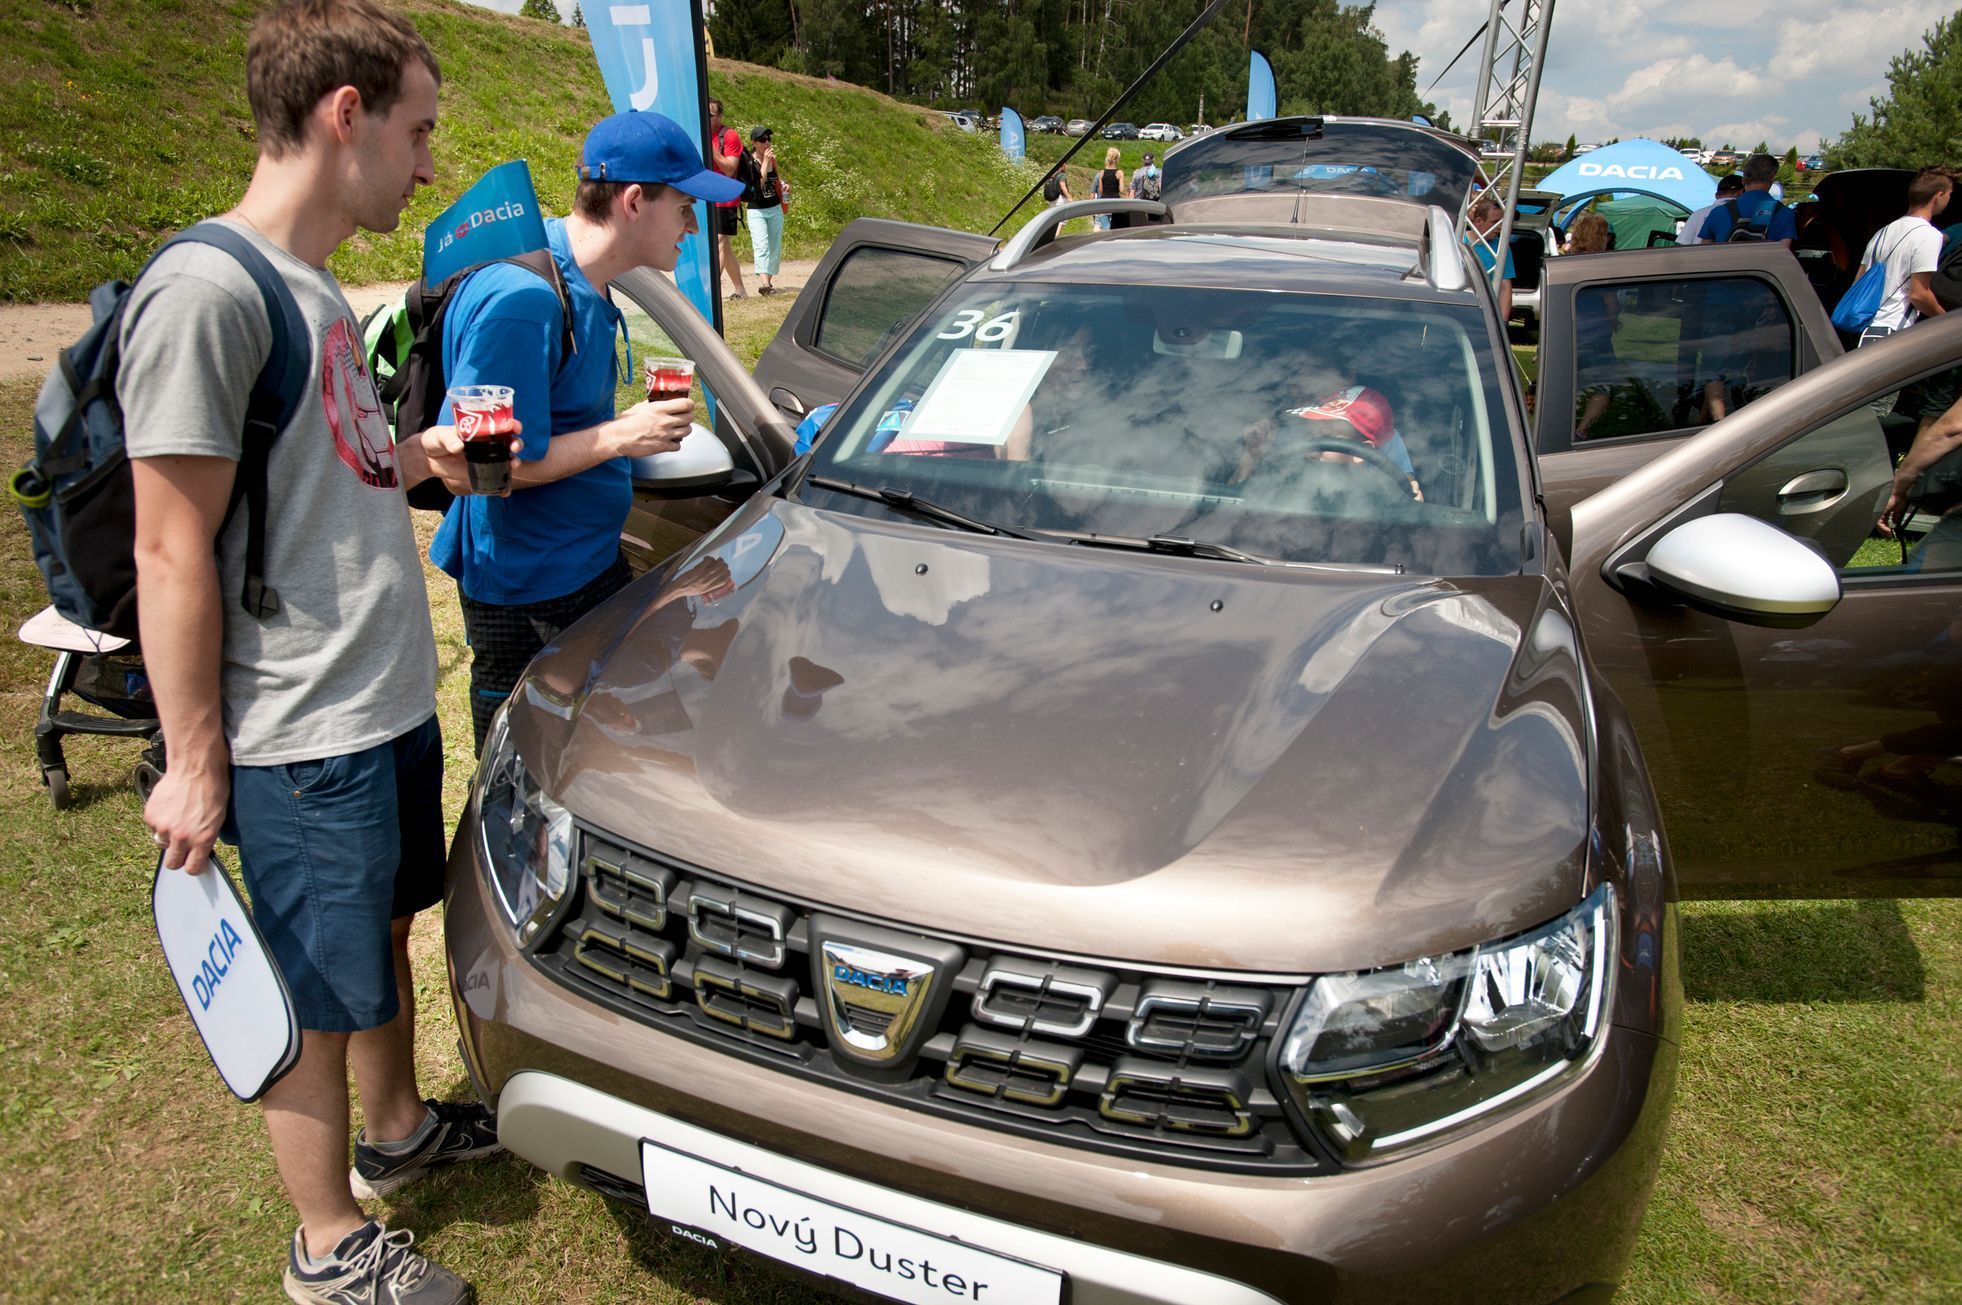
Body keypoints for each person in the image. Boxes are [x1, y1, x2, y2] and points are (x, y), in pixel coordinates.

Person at [126, 4, 494, 1302]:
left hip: (378, 703)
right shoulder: (207, 291)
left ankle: (394, 1134)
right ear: (347, 116)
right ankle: (326, 1241)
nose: (430, 161)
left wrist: (411, 459)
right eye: (419, 129)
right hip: (300, 731)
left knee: (381, 930)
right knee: (313, 988)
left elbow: (311, 462)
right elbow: (169, 545)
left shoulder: (312, 289)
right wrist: (192, 759)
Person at [431, 110, 745, 752]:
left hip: (582, 571)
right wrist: (622, 437)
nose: (693, 224)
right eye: (685, 206)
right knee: (525, 764)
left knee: (611, 747)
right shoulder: (525, 301)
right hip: (531, 596)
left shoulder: (585, 281)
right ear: (635, 201)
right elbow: (481, 467)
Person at [1852, 166, 1951, 347]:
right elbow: (1919, 294)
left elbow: (1858, 282)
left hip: (1867, 331)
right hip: (1893, 332)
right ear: (1938, 196)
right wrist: (1947, 321)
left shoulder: (1882, 232)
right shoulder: (1929, 235)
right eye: (1949, 195)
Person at [1699, 153, 1797, 246]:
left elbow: (1704, 253)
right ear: (1772, 178)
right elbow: (1783, 256)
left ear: (1743, 180)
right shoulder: (1784, 214)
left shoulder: (1718, 212)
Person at [706, 97, 747, 300]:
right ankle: (740, 289)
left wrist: (711, 149)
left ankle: (711, 293)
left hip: (725, 197)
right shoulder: (699, 133)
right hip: (705, 197)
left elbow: (730, 169)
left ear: (719, 116)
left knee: (720, 240)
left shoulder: (729, 136)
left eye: (710, 115)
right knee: (725, 247)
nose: (705, 118)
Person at [740, 126, 788, 294]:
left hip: (774, 207)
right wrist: (765, 162)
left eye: (768, 139)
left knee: (774, 247)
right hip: (756, 210)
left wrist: (783, 185)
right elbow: (757, 185)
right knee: (761, 246)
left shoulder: (772, 160)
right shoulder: (750, 162)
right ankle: (765, 285)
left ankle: (768, 282)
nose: (767, 143)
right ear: (754, 143)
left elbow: (777, 179)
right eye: (762, 140)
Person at [1465, 191, 1515, 322]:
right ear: (1478, 221)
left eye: (1501, 223)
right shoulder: (1459, 241)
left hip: (1488, 313)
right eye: (1494, 222)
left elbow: (1505, 287)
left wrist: (1503, 322)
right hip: (1461, 307)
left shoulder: (1503, 248)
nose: (1499, 228)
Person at [1679, 173, 1744, 245]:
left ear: (1716, 195)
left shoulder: (1698, 214)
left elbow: (1683, 243)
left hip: (1699, 254)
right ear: (1741, 193)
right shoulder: (1745, 212)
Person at [1092, 147, 1126, 230]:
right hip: (1116, 204)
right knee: (1116, 230)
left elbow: (1100, 190)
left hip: (1104, 204)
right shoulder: (1119, 173)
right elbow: (1122, 190)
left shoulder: (1101, 173)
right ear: (1117, 159)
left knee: (1106, 231)